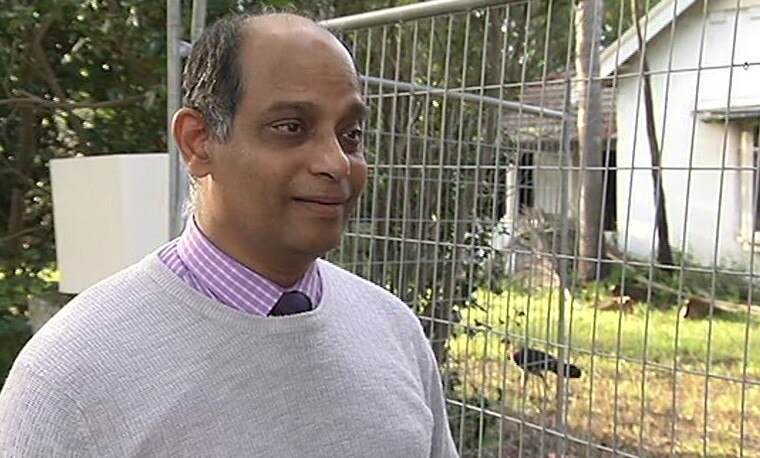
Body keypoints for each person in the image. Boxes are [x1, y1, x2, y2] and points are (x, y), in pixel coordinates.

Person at [0, 11, 458, 457]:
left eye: (350, 134)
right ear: (198, 142)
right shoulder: (72, 377)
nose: (336, 162)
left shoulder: (392, 329)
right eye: (291, 127)